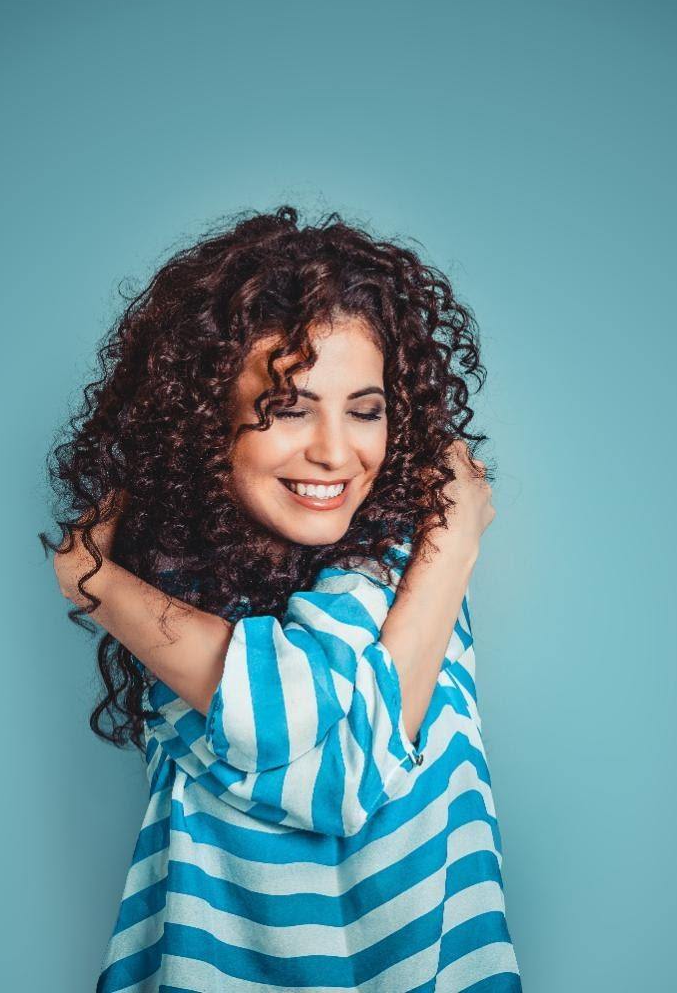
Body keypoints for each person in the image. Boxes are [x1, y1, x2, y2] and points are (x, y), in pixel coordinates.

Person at [41, 205, 521, 990]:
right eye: (287, 408)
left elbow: (343, 780)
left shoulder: (404, 558)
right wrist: (94, 583)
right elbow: (306, 736)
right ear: (204, 420)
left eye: (365, 410)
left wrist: (93, 584)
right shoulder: (169, 588)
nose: (335, 451)